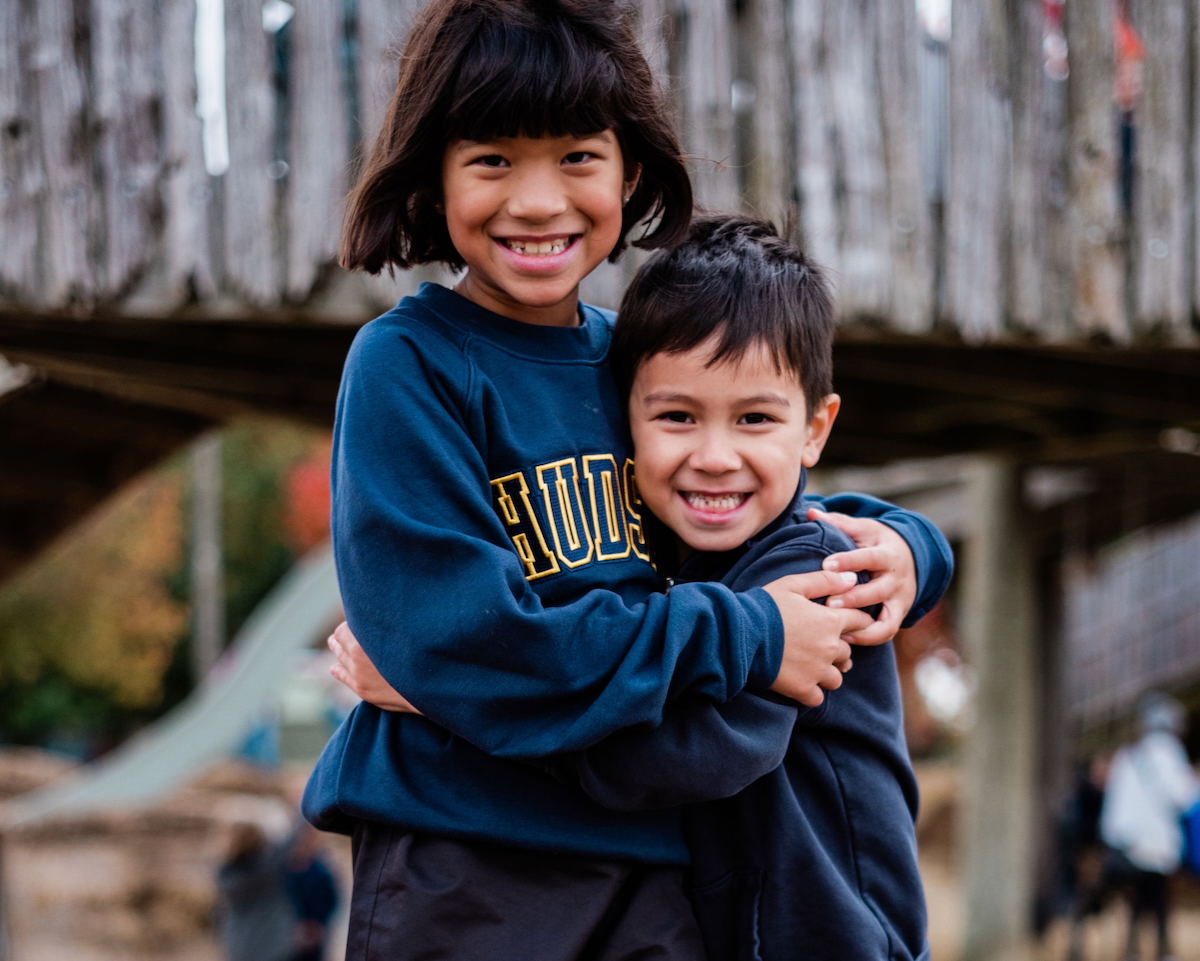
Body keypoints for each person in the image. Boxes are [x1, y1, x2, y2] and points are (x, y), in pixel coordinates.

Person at [303, 1, 952, 957]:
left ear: (629, 171)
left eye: (576, 157)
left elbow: (742, 506)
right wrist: (753, 631)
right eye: (491, 160)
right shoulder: (410, 366)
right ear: (433, 176)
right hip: (468, 862)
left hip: (653, 863)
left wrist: (905, 545)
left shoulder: (632, 368)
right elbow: (473, 646)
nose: (536, 200)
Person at [1083, 693, 1198, 961]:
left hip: (1126, 844)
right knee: (1158, 901)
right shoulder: (1168, 752)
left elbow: (1114, 806)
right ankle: (1164, 952)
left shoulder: (1128, 754)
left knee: (1137, 901)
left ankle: (1132, 951)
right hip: (1155, 845)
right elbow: (1184, 796)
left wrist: (1115, 838)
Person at [216, 822, 302, 961]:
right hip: (275, 945)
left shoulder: (224, 875)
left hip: (239, 946)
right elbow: (291, 838)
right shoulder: (269, 867)